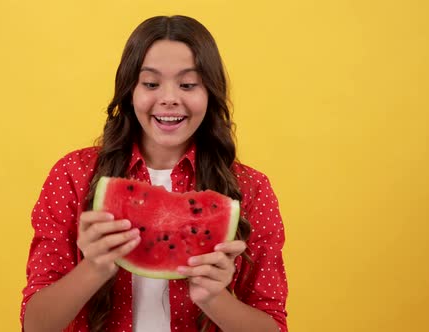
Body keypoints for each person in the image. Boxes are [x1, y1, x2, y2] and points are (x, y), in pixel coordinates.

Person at [21, 15, 288, 332]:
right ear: (129, 91)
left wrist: (215, 298)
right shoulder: (74, 175)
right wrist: (93, 268)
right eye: (150, 83)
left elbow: (273, 325)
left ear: (210, 94)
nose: (169, 98)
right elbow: (35, 325)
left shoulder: (250, 188)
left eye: (188, 84)